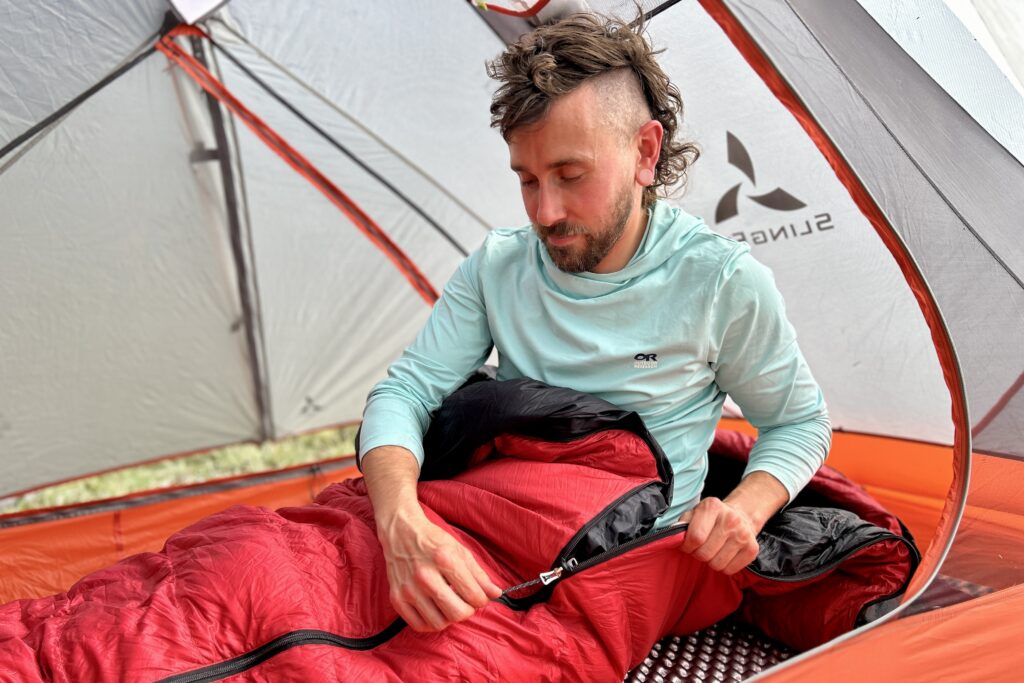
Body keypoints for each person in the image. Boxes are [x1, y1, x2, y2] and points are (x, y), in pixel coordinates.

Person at [358, 13, 831, 635]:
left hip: (618, 557)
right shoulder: (499, 265)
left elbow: (797, 421)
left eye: (570, 176)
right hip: (491, 509)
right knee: (258, 571)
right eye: (527, 179)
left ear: (645, 152)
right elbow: (407, 392)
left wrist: (745, 508)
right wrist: (400, 523)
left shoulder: (719, 282)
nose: (545, 211)